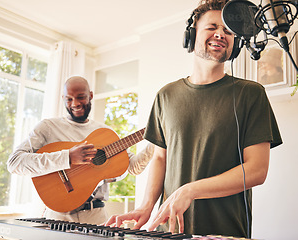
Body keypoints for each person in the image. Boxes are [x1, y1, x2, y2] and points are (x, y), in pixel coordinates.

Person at [105, 0, 282, 238]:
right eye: (212, 27)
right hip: (167, 231)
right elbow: (160, 157)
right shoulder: (165, 95)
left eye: (228, 31)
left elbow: (256, 170)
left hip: (225, 231)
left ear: (235, 43)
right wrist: (146, 206)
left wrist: (190, 190)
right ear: (192, 35)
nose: (221, 34)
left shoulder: (251, 94)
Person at [7, 76, 154, 225]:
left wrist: (157, 142)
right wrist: (67, 157)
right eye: (69, 99)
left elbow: (133, 167)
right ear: (63, 98)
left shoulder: (105, 133)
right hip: (58, 217)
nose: (75, 104)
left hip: (97, 217)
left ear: (90, 95)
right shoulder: (48, 127)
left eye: (80, 97)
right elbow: (14, 163)